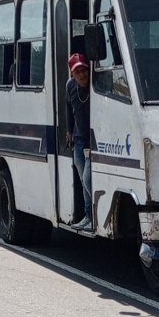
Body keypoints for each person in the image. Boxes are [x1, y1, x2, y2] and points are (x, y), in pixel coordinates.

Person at [66, 53, 92, 231]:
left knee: (88, 178)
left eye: (84, 70)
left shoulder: (95, 86)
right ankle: (87, 215)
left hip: (94, 140)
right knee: (82, 178)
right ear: (72, 74)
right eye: (78, 72)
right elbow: (69, 108)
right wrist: (69, 130)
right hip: (79, 139)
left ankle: (93, 215)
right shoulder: (70, 86)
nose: (82, 75)